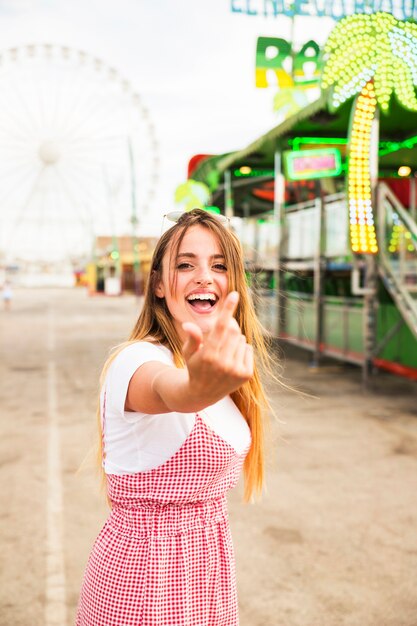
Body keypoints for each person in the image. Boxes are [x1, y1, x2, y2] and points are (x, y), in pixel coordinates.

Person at [76, 208, 274, 626]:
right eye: (186, 264)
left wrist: (209, 379)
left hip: (208, 576)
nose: (205, 276)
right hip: (143, 583)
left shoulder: (228, 368)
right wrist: (197, 389)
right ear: (160, 285)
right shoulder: (136, 360)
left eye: (219, 265)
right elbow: (173, 391)